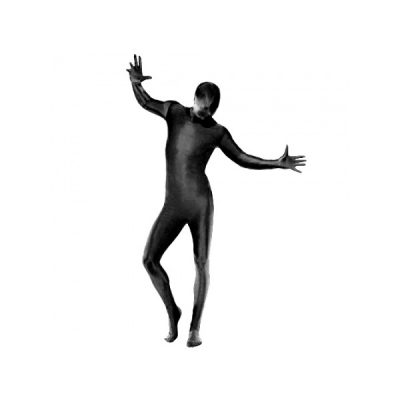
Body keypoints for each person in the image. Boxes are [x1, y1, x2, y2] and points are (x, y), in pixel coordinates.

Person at [127, 55, 306, 347]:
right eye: (201, 107)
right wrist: (134, 83)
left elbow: (242, 158)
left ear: (215, 110)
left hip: (200, 204)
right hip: (173, 204)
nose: (204, 113)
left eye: (209, 110)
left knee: (201, 262)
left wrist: (276, 163)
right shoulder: (173, 111)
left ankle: (194, 328)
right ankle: (173, 311)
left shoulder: (217, 132)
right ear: (193, 99)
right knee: (149, 260)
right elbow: (146, 102)